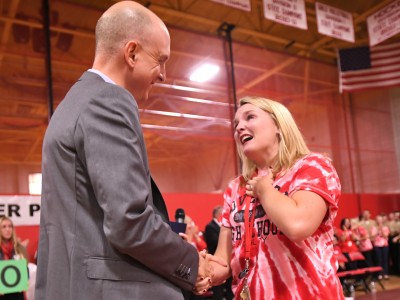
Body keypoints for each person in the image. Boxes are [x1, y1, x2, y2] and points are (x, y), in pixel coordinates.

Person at [34, 2, 216, 299]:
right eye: (161, 60)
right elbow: (129, 221)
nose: (164, 75)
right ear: (131, 53)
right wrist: (194, 264)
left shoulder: (75, 102)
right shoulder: (107, 102)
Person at [195, 96, 344, 299]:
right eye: (236, 123)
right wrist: (205, 270)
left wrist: (264, 189)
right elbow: (224, 260)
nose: (240, 127)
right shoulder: (234, 188)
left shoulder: (311, 167)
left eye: (250, 117)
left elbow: (298, 225)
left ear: (278, 126)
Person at [204, 206, 234, 300]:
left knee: (229, 287)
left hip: (227, 262)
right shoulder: (210, 226)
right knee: (217, 289)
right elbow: (214, 241)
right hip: (216, 260)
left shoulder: (224, 226)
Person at [0, 217, 27, 300]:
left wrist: (24, 281)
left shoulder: (19, 248)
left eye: (10, 226)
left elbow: (26, 270)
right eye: (4, 227)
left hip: (17, 293)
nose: (7, 229)